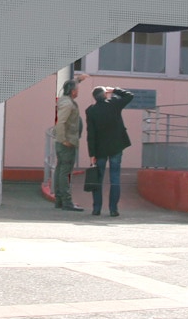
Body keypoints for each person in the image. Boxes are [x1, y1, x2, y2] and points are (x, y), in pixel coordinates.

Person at [84, 86, 135, 217]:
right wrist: (114, 90)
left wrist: (92, 154)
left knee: (98, 179)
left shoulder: (91, 111)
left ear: (94, 97)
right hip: (116, 147)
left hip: (100, 150)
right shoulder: (114, 104)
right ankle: (113, 209)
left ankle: (97, 209)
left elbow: (91, 134)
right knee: (115, 178)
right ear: (105, 95)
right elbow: (129, 96)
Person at [52, 73, 87, 211]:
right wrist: (64, 139)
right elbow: (61, 123)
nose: (78, 91)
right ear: (73, 92)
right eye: (77, 89)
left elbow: (66, 87)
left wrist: (78, 79)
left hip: (65, 141)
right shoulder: (67, 104)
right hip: (66, 142)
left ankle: (59, 200)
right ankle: (66, 201)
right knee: (64, 171)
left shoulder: (64, 99)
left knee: (61, 169)